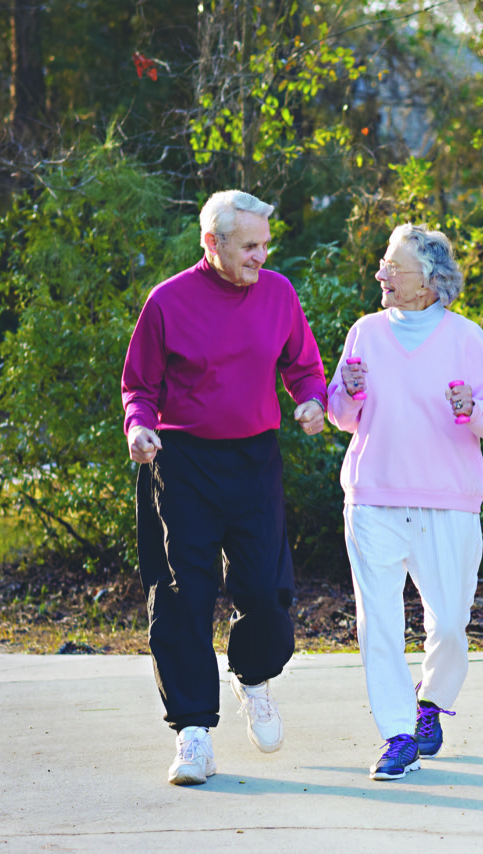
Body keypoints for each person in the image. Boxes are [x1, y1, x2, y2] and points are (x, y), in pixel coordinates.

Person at [121, 190, 328, 786]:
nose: (261, 257)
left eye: (266, 245)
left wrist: (310, 401)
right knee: (183, 592)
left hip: (254, 458)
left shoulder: (279, 293)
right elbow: (140, 386)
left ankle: (254, 676)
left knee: (265, 588)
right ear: (211, 244)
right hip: (181, 460)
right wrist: (140, 428)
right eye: (250, 247)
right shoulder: (167, 301)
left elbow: (302, 364)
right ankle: (192, 734)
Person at [327, 223, 483, 781]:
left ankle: (429, 701)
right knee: (378, 621)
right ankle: (396, 733)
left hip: (448, 501)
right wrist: (348, 392)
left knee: (451, 620)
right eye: (384, 264)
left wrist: (470, 409)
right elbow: (341, 416)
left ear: (429, 282)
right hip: (373, 497)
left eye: (393, 266)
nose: (380, 273)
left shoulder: (465, 337)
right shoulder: (364, 332)